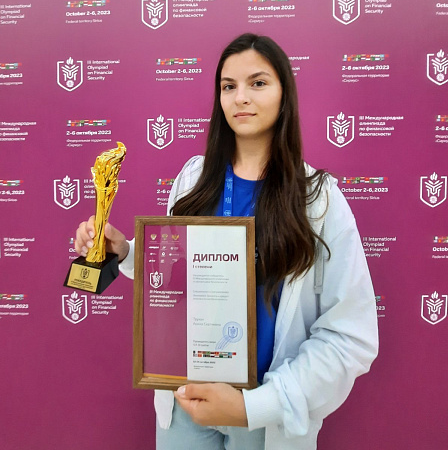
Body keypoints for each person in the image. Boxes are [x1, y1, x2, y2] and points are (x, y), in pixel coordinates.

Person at [75, 33, 378, 450]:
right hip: (186, 400)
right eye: (228, 86)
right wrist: (124, 252)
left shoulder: (319, 199)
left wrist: (253, 408)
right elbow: (174, 282)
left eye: (258, 83)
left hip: (263, 411)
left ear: (284, 95)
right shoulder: (193, 179)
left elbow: (349, 336)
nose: (241, 98)